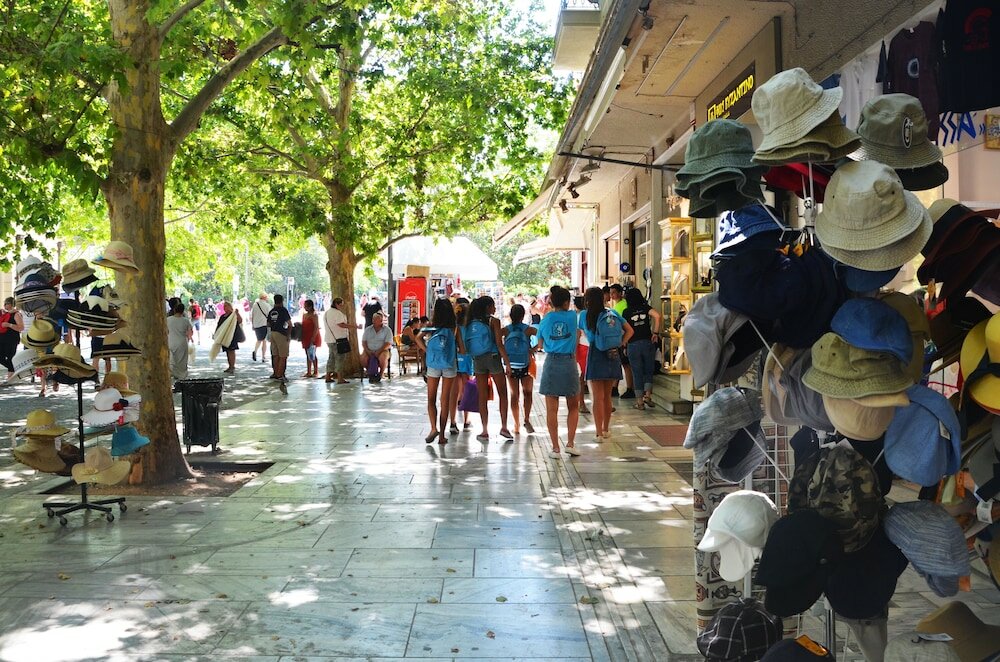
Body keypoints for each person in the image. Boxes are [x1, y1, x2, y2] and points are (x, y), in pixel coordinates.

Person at [580, 286, 633, 440]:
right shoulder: (612, 313)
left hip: (596, 354)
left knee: (597, 397)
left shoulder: (585, 315)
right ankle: (606, 429)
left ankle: (598, 432)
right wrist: (621, 343)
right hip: (613, 354)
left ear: (587, 300)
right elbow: (630, 331)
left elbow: (584, 334)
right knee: (607, 396)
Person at [537, 285, 582, 458]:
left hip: (551, 362)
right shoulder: (572, 316)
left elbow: (540, 344)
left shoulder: (546, 319)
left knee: (551, 409)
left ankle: (555, 448)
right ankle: (570, 443)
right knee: (573, 406)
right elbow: (578, 332)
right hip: (569, 362)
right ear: (566, 302)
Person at [415, 299, 464, 445]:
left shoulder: (431, 326)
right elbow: (462, 349)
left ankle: (433, 428)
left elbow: (417, 338)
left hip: (433, 364)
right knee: (445, 400)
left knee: (431, 398)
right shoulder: (454, 328)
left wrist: (428, 350)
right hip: (449, 365)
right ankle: (442, 436)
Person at [465, 295, 511, 441]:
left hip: (477, 360)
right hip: (492, 359)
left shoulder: (470, 322)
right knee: (503, 393)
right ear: (487, 307)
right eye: (493, 305)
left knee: (482, 396)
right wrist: (507, 363)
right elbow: (499, 343)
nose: (495, 308)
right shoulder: (494, 321)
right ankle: (504, 427)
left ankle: (484, 430)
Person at [622, 288, 662, 410]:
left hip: (633, 344)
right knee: (648, 370)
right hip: (647, 342)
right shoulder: (646, 308)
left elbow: (625, 330)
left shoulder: (626, 312)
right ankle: (648, 396)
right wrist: (655, 332)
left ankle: (639, 402)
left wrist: (624, 344)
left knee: (637, 373)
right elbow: (657, 316)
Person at [502, 304, 536, 434]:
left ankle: (516, 425)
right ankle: (526, 419)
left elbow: (498, 342)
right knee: (528, 393)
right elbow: (542, 337)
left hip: (511, 365)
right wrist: (532, 350)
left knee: (514, 395)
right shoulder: (528, 329)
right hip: (526, 363)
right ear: (523, 315)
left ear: (511, 316)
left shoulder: (506, 330)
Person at [608, 284, 636, 399]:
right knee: (619, 363)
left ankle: (630, 388)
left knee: (626, 364)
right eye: (611, 293)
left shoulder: (623, 305)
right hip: (619, 338)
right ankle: (615, 386)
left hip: (624, 338)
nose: (612, 295)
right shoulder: (616, 306)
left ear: (620, 293)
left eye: (614, 292)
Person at [323, 297, 355, 383]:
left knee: (331, 358)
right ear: (337, 304)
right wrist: (354, 327)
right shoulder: (337, 313)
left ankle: (328, 376)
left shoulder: (327, 313)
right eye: (341, 305)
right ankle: (340, 378)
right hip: (339, 339)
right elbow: (341, 324)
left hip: (329, 339)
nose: (342, 307)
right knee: (340, 358)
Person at [267, 294, 292, 388]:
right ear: (282, 301)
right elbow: (290, 324)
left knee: (275, 354)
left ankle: (275, 372)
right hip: (281, 333)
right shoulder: (283, 310)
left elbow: (268, 323)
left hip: (272, 333)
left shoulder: (272, 311)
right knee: (283, 355)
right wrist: (288, 334)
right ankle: (280, 374)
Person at [361, 312, 393, 382]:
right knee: (363, 359)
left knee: (383, 358)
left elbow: (388, 343)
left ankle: (380, 374)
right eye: (373, 319)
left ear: (381, 321)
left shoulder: (387, 330)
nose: (373, 321)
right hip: (369, 350)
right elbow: (364, 342)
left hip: (383, 350)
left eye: (376, 319)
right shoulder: (368, 329)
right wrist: (367, 350)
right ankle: (370, 372)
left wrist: (379, 351)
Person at [167, 302, 193, 381]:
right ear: (182, 311)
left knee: (171, 360)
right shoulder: (185, 321)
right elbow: (190, 332)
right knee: (182, 361)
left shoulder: (168, 320)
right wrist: (189, 338)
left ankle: (173, 374)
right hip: (182, 342)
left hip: (170, 341)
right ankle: (181, 377)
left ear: (174, 310)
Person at [573, 295, 590, 415]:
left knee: (583, 377)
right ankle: (581, 403)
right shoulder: (583, 315)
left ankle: (582, 403)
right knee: (583, 377)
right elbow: (578, 333)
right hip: (584, 347)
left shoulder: (579, 315)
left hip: (583, 347)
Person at [0, 297, 25, 378]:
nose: (4, 305)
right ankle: (15, 369)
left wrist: (9, 325)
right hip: (2, 338)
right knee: (1, 357)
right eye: (4, 303)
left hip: (12, 339)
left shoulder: (16, 314)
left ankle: (10, 377)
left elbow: (21, 328)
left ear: (11, 304)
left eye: (6, 303)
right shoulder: (4, 313)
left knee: (10, 357)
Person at [217, 301, 244, 374]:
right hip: (224, 336)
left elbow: (240, 320)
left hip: (232, 336)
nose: (224, 307)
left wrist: (237, 313)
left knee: (231, 351)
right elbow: (219, 326)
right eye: (224, 306)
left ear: (230, 306)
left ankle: (232, 366)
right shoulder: (222, 316)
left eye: (226, 306)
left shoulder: (233, 315)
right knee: (227, 352)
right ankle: (230, 366)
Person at [300, 299, 322, 378]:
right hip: (305, 336)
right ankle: (309, 371)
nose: (305, 308)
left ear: (310, 306)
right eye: (304, 306)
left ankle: (315, 371)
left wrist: (313, 337)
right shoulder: (304, 315)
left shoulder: (314, 315)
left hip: (313, 336)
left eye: (306, 306)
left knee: (312, 353)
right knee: (307, 354)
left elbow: (316, 327)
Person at [250, 293, 272, 363]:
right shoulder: (267, 305)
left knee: (259, 339)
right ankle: (263, 357)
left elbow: (252, 315)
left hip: (256, 325)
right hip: (264, 324)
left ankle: (255, 351)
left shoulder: (255, 305)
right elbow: (270, 315)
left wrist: (252, 325)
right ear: (265, 297)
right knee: (264, 341)